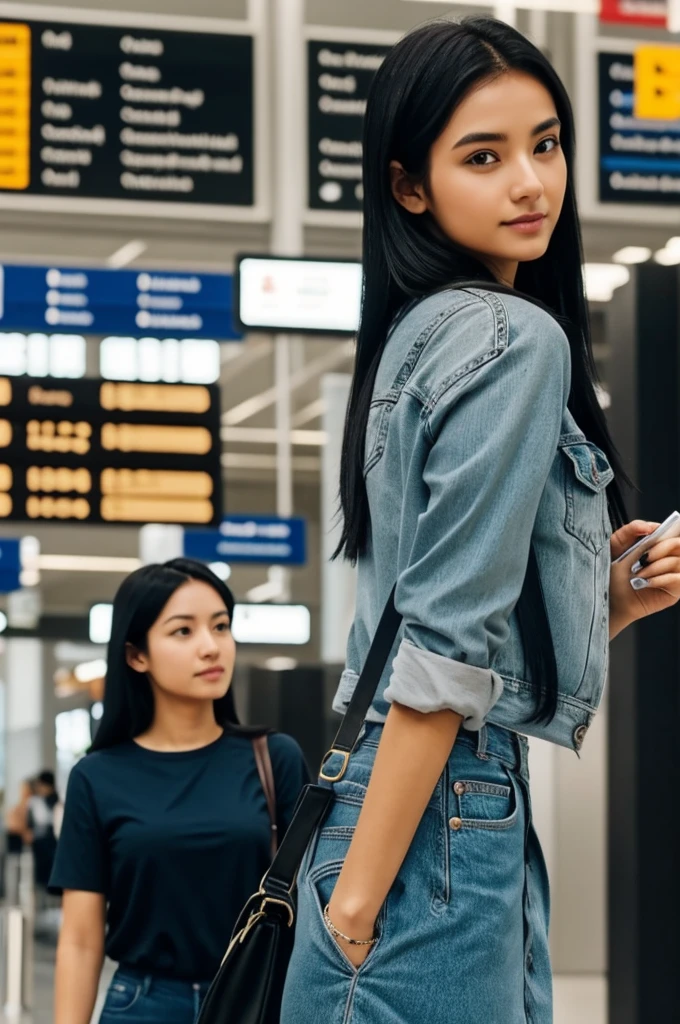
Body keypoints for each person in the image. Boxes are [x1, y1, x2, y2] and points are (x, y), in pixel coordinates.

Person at [280, 17, 680, 1024]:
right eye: (482, 156)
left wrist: (598, 606)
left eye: (543, 144)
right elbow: (442, 642)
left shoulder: (414, 336)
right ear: (408, 184)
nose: (529, 183)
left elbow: (427, 609)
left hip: (399, 800)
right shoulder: (513, 337)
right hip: (433, 820)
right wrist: (360, 909)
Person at [50, 558, 310, 1024]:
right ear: (136, 655)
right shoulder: (97, 776)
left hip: (256, 995)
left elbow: (314, 902)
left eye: (221, 626)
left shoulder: (275, 759)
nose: (211, 647)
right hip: (143, 1004)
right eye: (183, 631)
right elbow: (81, 939)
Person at [27, 769, 61, 890]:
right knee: (40, 877)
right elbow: (30, 823)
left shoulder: (57, 802)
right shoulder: (35, 801)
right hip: (39, 845)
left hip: (53, 843)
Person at [4, 778, 35, 855]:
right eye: (23, 789)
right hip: (19, 842)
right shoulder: (16, 809)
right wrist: (24, 832)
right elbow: (12, 825)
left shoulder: (34, 806)